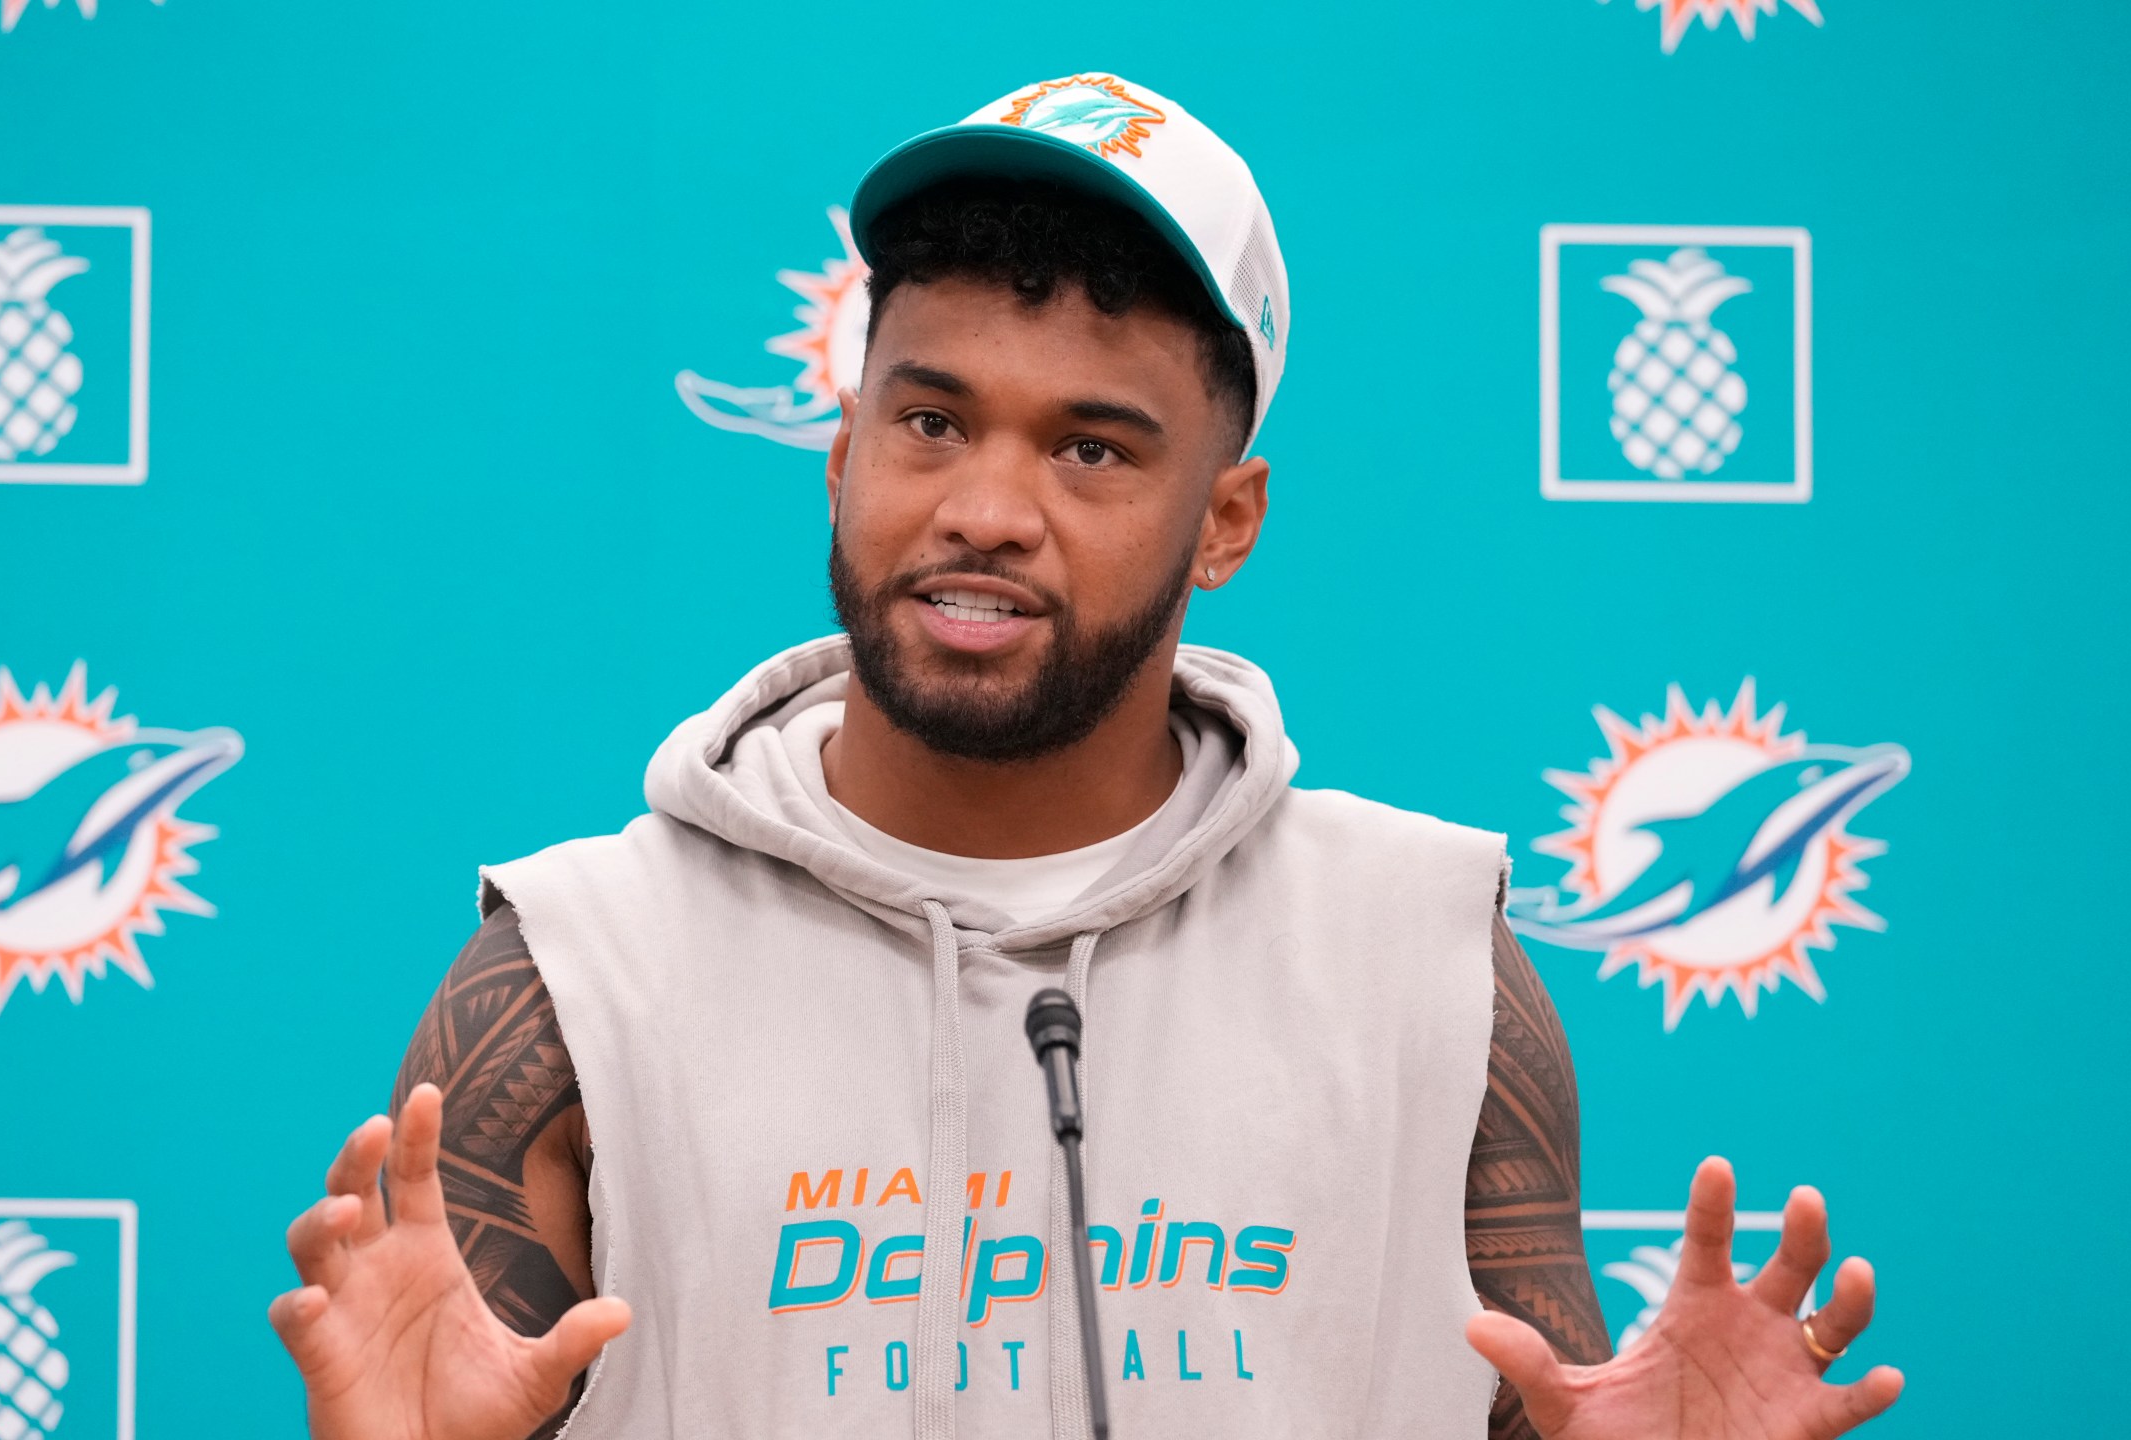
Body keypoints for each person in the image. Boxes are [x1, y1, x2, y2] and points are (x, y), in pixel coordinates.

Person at [268, 74, 1903, 1440]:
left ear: (1228, 523)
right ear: (839, 460)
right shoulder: (567, 975)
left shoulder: (1431, 964)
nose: (986, 506)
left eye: (1091, 448)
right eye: (930, 422)